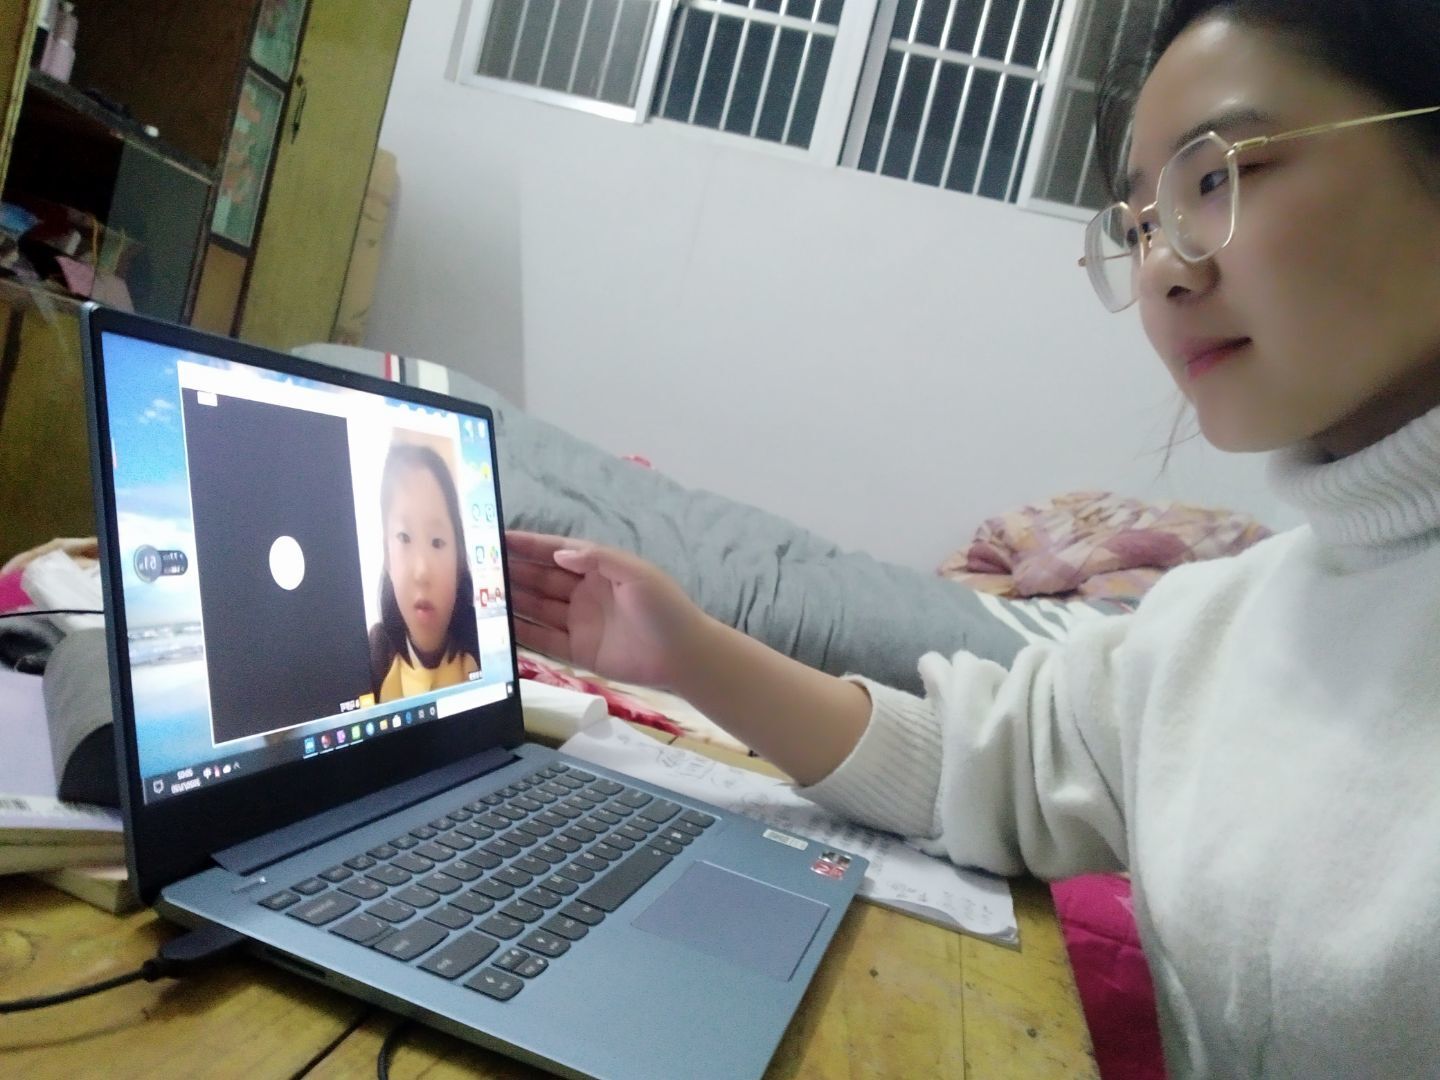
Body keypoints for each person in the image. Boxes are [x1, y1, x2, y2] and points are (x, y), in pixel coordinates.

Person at [507, 1, 1440, 1075]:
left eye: (1221, 177)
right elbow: (992, 761)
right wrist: (685, 653)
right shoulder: (1222, 620)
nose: (1163, 270)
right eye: (1141, 225)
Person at [369, 441, 480, 702]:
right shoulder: (375, 657)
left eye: (437, 542)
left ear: (459, 560)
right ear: (387, 556)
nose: (422, 572)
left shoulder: (482, 649)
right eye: (404, 538)